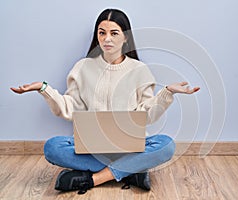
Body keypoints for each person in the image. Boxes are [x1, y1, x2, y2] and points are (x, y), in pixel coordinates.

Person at [10, 8, 200, 194]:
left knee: (166, 145)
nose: (107, 39)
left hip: (130, 147)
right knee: (52, 147)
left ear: (126, 37)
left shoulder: (139, 70)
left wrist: (167, 92)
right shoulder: (83, 67)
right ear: (97, 35)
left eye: (114, 33)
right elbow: (70, 108)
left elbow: (147, 116)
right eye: (102, 33)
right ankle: (130, 172)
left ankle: (94, 178)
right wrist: (44, 89)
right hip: (92, 148)